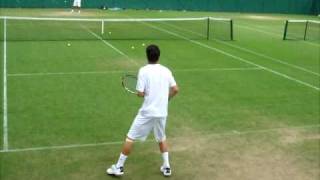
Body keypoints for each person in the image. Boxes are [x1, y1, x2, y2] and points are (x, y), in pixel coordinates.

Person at [107, 44, 179, 177]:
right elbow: (175, 89)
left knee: (130, 137)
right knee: (161, 138)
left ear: (147, 56)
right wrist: (166, 99)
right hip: (162, 112)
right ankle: (167, 167)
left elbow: (140, 93)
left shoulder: (143, 71)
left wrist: (143, 93)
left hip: (147, 112)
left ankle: (119, 167)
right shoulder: (166, 70)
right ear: (158, 56)